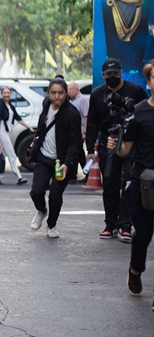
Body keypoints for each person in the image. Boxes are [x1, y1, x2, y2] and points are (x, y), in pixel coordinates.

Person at [106, 61, 154, 300]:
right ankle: (135, 270)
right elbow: (126, 150)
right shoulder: (140, 112)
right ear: (149, 82)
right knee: (143, 235)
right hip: (143, 185)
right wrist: (115, 146)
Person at [86, 58, 147, 241]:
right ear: (103, 76)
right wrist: (90, 149)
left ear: (121, 73)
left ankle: (126, 225)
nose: (112, 77)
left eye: (116, 73)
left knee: (128, 184)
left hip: (131, 145)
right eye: (108, 74)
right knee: (110, 186)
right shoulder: (97, 95)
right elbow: (92, 124)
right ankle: (110, 224)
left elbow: (144, 115)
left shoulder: (135, 91)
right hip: (108, 145)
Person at [29, 78, 82, 238]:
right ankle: (41, 210)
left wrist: (67, 163)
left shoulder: (72, 114)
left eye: (60, 93)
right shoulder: (46, 104)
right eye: (53, 93)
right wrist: (36, 139)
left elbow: (75, 142)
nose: (57, 96)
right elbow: (42, 124)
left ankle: (52, 225)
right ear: (48, 93)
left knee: (55, 196)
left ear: (66, 93)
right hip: (44, 157)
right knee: (36, 192)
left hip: (62, 162)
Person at [0, 87, 33, 184]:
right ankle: (19, 177)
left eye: (8, 93)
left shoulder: (10, 106)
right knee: (12, 154)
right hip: (2, 133)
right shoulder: (0, 106)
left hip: (7, 132)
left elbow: (18, 119)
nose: (6, 94)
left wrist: (29, 127)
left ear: (10, 94)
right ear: (1, 94)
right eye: (4, 93)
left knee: (1, 155)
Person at [67, 81, 89, 183]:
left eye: (70, 89)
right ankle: (84, 173)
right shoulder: (71, 101)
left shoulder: (82, 100)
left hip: (79, 132)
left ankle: (74, 175)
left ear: (76, 89)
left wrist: (84, 132)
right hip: (73, 132)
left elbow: (85, 116)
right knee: (78, 153)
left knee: (77, 153)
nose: (68, 92)